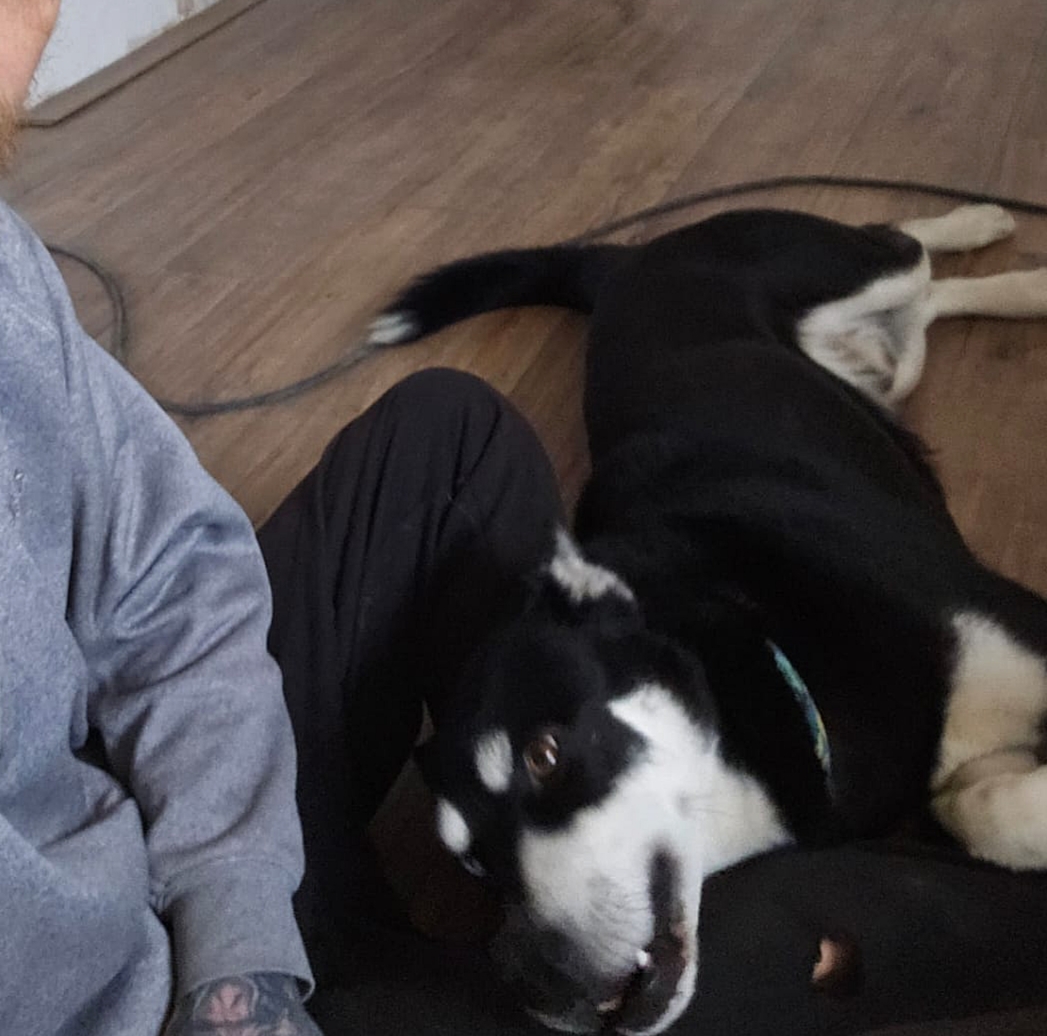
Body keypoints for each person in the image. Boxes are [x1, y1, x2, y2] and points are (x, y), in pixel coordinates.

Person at [0, 3, 563, 1034]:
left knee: (451, 442)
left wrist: (238, 938)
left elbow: (169, 573)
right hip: (114, 995)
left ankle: (451, 906)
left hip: (172, 869)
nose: (37, 18)